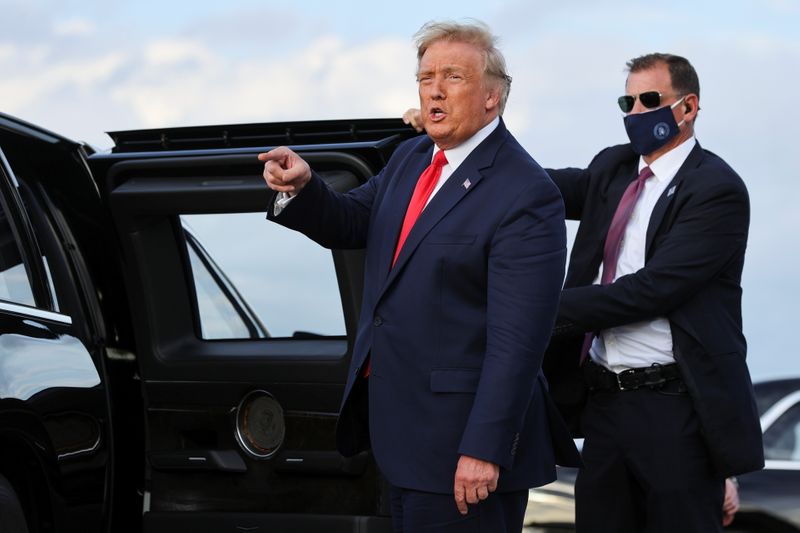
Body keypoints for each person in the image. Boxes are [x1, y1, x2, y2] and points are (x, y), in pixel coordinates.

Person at [405, 52, 761, 532]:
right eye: (627, 101)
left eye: (649, 100)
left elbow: (652, 291)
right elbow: (527, 186)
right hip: (604, 407)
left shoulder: (717, 189)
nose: (636, 112)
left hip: (674, 406)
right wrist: (462, 137)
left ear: (688, 106)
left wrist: (536, 309)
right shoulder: (613, 169)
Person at [259, 20, 579, 533]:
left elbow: (518, 343)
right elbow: (351, 220)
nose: (434, 88)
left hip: (464, 456)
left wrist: (484, 448)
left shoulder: (526, 193)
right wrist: (303, 186)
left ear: (492, 97)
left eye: (453, 76)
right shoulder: (410, 158)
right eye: (426, 76)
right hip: (402, 441)